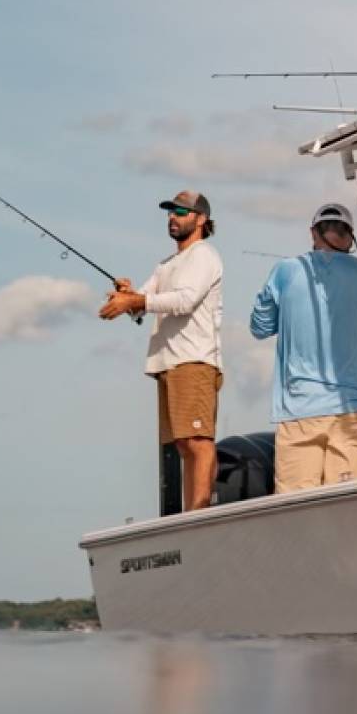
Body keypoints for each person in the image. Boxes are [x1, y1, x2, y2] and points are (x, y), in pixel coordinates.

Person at [249, 201, 357, 493]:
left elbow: (259, 327)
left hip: (297, 411)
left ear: (313, 233)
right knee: (350, 509)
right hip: (353, 412)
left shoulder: (284, 271)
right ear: (349, 237)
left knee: (295, 511)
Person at [99, 191, 224, 511]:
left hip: (194, 359)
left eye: (181, 212)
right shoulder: (165, 264)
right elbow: (142, 305)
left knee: (198, 441)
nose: (172, 217)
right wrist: (127, 296)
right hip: (168, 362)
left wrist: (137, 301)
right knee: (183, 443)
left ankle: (200, 513)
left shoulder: (204, 255)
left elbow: (184, 300)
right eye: (170, 211)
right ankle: (189, 516)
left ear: (200, 220)